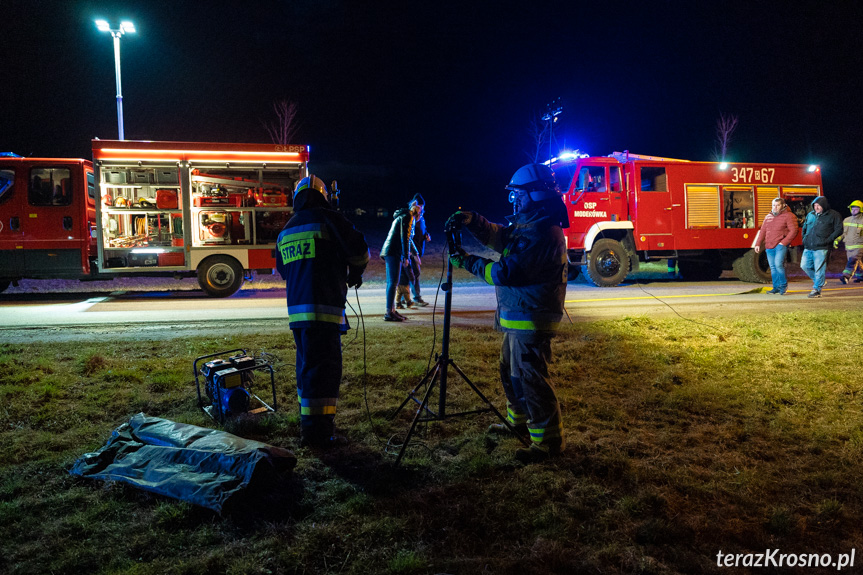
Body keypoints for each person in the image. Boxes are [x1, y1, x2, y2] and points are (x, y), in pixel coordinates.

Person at [448, 163, 569, 464]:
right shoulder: (529, 224)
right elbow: (500, 236)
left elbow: (505, 272)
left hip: (532, 317)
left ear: (536, 193)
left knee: (531, 377)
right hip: (519, 315)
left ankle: (547, 443)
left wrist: (466, 261)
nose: (514, 200)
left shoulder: (543, 232)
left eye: (518, 194)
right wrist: (473, 221)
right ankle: (518, 422)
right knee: (510, 371)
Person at [275, 175, 369, 448]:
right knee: (324, 372)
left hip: (298, 315)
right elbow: (360, 253)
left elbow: (284, 271)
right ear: (323, 197)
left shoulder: (287, 229)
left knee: (306, 369)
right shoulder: (330, 219)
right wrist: (353, 272)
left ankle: (309, 426)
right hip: (325, 312)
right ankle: (318, 436)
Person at [381, 199, 421, 321]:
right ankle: (389, 312)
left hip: (392, 251)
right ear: (416, 210)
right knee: (393, 283)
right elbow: (405, 237)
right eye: (421, 211)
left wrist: (415, 253)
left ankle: (392, 310)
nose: (422, 214)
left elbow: (408, 239)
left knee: (393, 283)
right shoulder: (408, 217)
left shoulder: (405, 216)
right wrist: (406, 256)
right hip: (393, 252)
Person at [752, 197, 799, 295]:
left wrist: (784, 242)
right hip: (769, 245)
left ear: (783, 206)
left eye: (777, 205)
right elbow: (763, 231)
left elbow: (794, 230)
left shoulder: (789, 216)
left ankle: (783, 286)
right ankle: (776, 287)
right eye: (773, 205)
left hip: (780, 245)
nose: (775, 207)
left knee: (778, 265)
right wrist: (757, 244)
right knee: (773, 267)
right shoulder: (768, 217)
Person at [800, 196, 843, 298]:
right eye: (815, 205)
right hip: (809, 246)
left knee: (819, 269)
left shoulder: (834, 215)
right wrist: (804, 239)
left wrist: (828, 240)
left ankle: (816, 290)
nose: (816, 207)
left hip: (822, 248)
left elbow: (839, 230)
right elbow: (805, 228)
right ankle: (820, 281)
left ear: (824, 205)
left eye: (819, 205)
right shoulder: (810, 215)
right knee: (804, 266)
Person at [410, 193, 432, 306]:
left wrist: (427, 235)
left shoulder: (421, 218)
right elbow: (408, 237)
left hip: (418, 250)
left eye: (422, 206)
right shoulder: (411, 219)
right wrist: (414, 254)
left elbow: (424, 230)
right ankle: (416, 297)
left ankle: (405, 298)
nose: (421, 209)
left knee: (413, 274)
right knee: (415, 274)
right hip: (411, 252)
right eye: (419, 206)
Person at [835, 200, 863, 284]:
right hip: (848, 246)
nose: (853, 210)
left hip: (859, 246)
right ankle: (861, 275)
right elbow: (843, 233)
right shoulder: (846, 220)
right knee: (855, 261)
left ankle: (845, 276)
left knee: (852, 261)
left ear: (861, 209)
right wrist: (837, 240)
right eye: (852, 208)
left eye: (856, 209)